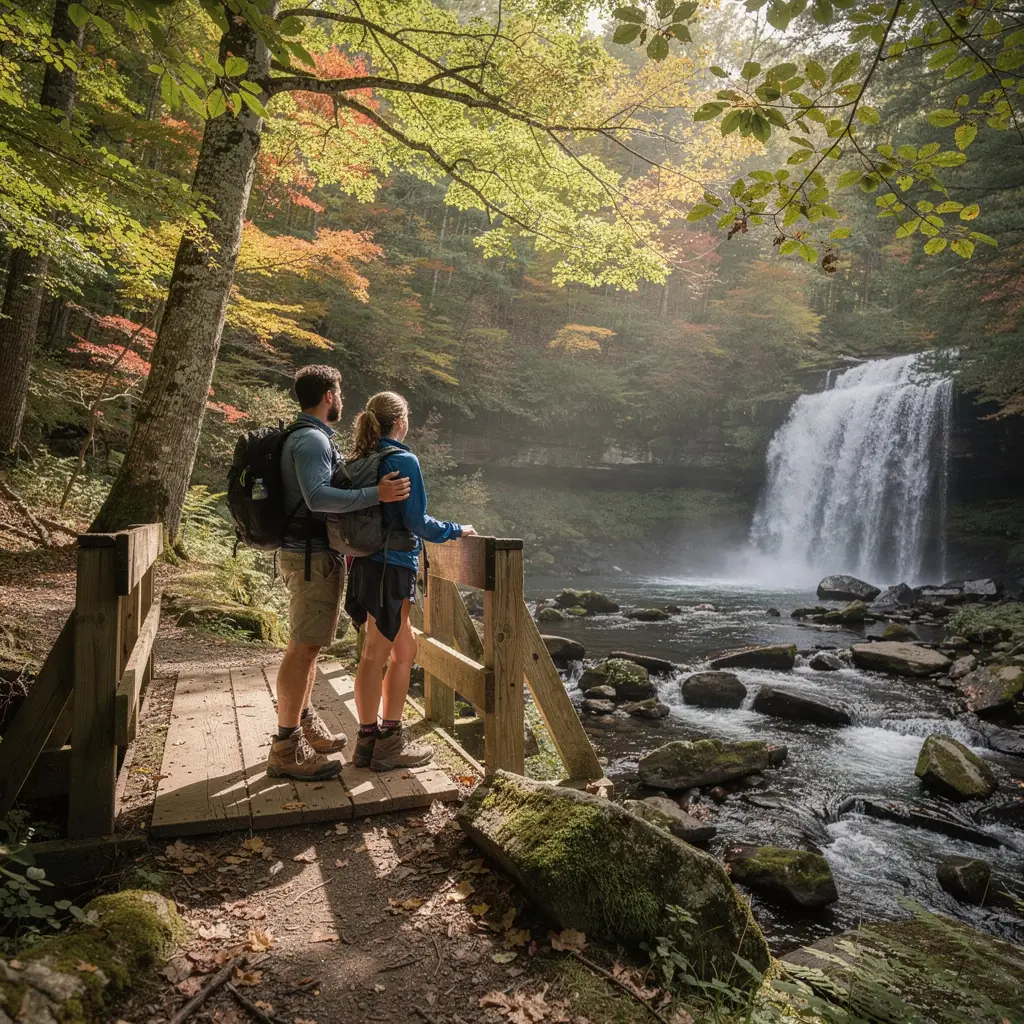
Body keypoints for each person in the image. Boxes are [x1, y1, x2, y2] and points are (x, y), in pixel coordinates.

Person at [267, 366, 411, 781]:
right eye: (340, 390)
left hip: (312, 556)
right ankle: (285, 747)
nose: (342, 398)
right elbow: (316, 498)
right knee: (302, 647)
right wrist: (375, 494)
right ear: (329, 395)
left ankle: (302, 723)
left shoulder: (309, 436)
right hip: (309, 557)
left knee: (307, 647)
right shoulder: (311, 439)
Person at [344, 391, 476, 772]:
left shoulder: (360, 459)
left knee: (402, 649)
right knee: (377, 653)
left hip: (364, 565)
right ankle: (385, 741)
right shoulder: (403, 459)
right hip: (393, 566)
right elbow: (417, 522)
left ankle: (371, 741)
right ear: (400, 422)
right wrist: (456, 530)